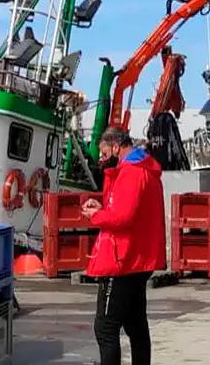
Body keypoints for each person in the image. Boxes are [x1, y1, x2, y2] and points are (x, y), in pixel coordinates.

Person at [81, 126, 166, 365]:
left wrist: (95, 217)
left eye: (105, 151)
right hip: (140, 257)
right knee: (136, 324)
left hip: (122, 259)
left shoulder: (131, 172)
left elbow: (123, 217)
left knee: (105, 328)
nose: (102, 158)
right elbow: (129, 211)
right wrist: (102, 209)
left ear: (116, 147)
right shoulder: (146, 171)